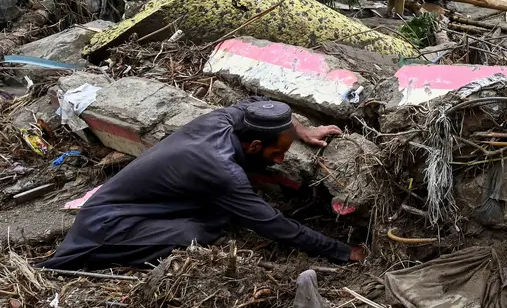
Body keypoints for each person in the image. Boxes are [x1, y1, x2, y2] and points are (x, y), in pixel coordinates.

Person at [43, 99, 362, 269]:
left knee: (221, 214)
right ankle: (109, 256)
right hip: (107, 227)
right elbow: (273, 224)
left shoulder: (225, 120)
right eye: (277, 153)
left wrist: (303, 130)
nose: (280, 161)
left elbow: (261, 102)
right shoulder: (222, 170)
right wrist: (341, 251)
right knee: (201, 232)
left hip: (127, 207)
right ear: (253, 147)